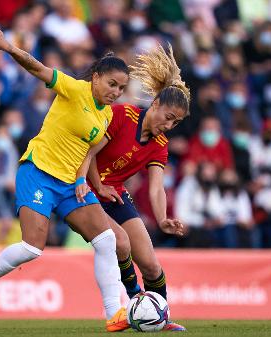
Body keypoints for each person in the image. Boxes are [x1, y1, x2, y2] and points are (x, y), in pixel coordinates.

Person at [0, 25, 130, 332]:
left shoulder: (107, 114)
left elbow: (89, 152)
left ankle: (114, 314)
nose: (116, 92)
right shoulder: (73, 89)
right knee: (32, 248)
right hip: (38, 172)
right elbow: (37, 67)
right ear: (96, 77)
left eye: (121, 88)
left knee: (106, 240)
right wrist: (8, 47)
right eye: (112, 84)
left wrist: (89, 181)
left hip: (70, 184)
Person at [75, 44, 190, 331]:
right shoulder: (122, 115)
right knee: (121, 242)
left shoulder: (160, 146)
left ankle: (161, 317)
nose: (169, 125)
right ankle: (136, 301)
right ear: (154, 105)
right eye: (168, 116)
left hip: (114, 193)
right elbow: (88, 153)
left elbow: (156, 189)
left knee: (151, 265)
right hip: (85, 189)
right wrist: (98, 186)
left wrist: (162, 218)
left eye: (175, 122)